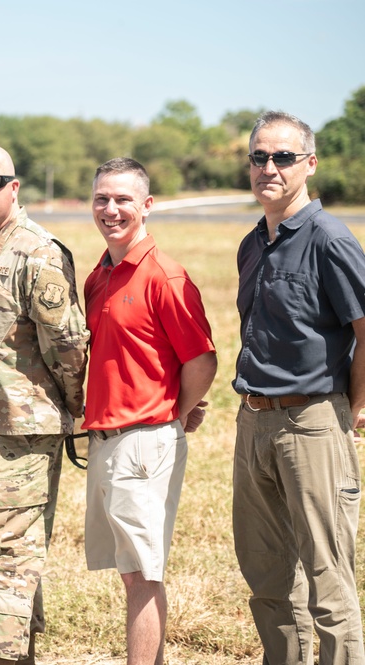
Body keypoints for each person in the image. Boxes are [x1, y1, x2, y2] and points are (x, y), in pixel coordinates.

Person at [233, 111, 365, 665]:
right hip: (254, 422)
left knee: (328, 582)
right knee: (267, 578)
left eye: (283, 157)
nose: (270, 167)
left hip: (312, 423)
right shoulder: (252, 244)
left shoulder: (329, 237)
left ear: (309, 164)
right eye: (260, 156)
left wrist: (355, 408)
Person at [0, 144, 89, 665]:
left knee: (3, 554)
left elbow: (69, 346)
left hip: (20, 434)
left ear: (15, 186)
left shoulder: (37, 253)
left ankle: (1, 658)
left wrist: (75, 408)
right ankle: (16, 655)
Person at [83, 157, 217, 665]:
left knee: (142, 574)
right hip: (107, 439)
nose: (111, 209)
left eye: (123, 199)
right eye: (102, 198)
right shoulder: (101, 273)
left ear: (147, 205)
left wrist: (172, 414)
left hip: (143, 440)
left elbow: (201, 358)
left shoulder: (164, 274)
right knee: (130, 570)